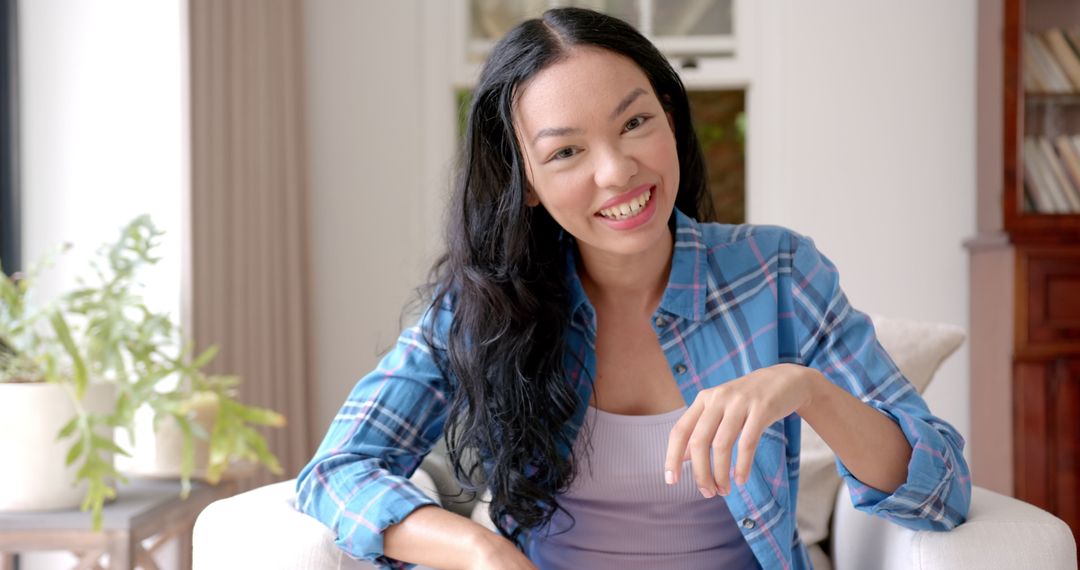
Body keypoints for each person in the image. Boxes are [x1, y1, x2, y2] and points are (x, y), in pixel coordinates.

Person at [296, 7, 971, 570]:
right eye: (566, 152)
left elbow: (940, 491)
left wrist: (806, 389)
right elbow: (336, 471)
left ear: (671, 117)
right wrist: (480, 550)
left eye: (635, 123)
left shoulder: (779, 272)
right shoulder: (487, 306)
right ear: (525, 182)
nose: (617, 171)